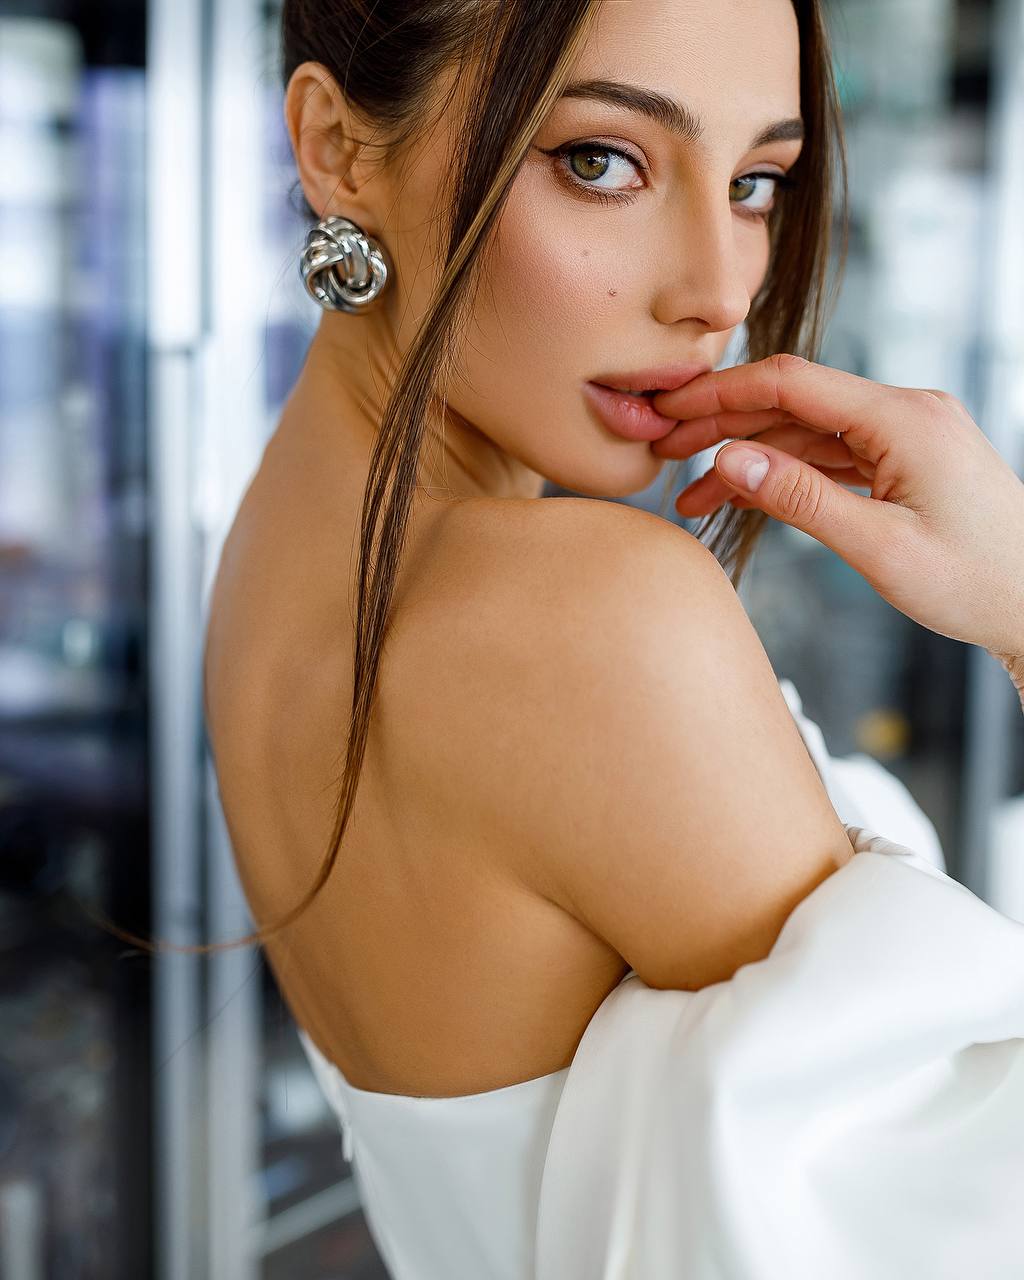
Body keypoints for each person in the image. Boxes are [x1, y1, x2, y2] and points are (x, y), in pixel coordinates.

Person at [201, 0, 1024, 1275]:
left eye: (757, 181)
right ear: (334, 144)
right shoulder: (588, 616)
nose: (718, 290)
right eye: (601, 160)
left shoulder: (282, 559)